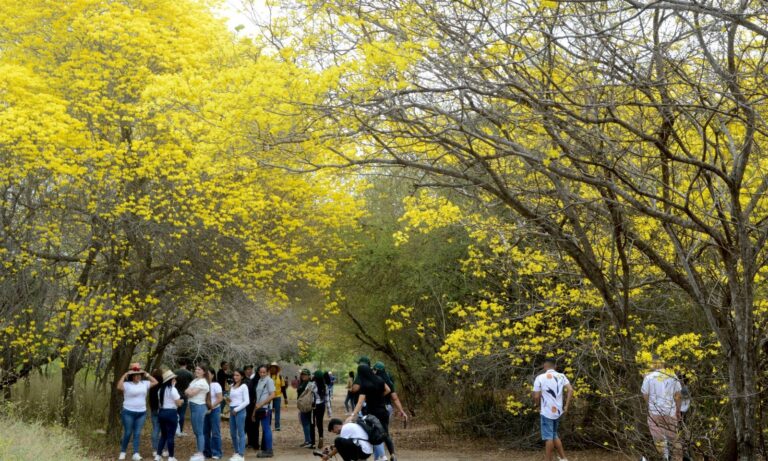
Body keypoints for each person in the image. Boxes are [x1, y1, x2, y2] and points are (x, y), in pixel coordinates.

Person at [348, 364, 394, 461]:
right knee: (385, 433)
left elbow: (360, 402)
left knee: (372, 435)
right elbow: (388, 390)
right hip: (383, 411)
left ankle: (379, 457)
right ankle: (392, 454)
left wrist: (353, 415)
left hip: (372, 414)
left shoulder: (364, 384)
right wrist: (379, 396)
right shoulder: (380, 379)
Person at [642, 358, 683, 461]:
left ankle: (663, 458)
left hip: (654, 412)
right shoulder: (672, 376)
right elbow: (678, 395)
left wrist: (650, 406)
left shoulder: (649, 377)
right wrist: (678, 410)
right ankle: (675, 459)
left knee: (659, 440)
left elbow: (645, 394)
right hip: (670, 412)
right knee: (673, 439)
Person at [532, 357, 573, 461]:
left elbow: (536, 396)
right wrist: (566, 406)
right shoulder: (562, 376)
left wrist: (538, 406)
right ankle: (563, 458)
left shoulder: (540, 377)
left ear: (545, 366)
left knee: (548, 437)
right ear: (555, 366)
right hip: (558, 411)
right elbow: (570, 390)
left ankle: (548, 460)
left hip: (546, 412)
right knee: (554, 434)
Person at [117, 362, 159, 461]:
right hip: (128, 412)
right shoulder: (127, 384)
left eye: (139, 375)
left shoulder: (145, 383)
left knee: (137, 433)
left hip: (141, 413)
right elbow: (119, 387)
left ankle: (136, 453)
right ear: (132, 376)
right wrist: (124, 375)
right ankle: (123, 451)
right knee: (128, 433)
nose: (138, 377)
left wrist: (146, 374)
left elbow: (156, 382)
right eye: (135, 375)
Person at [372, 362, 407, 461]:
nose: (373, 371)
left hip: (379, 408)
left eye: (374, 369)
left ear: (377, 370)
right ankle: (390, 455)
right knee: (384, 431)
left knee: (377, 432)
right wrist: (402, 411)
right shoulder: (389, 382)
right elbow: (395, 398)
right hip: (388, 408)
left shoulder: (376, 381)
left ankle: (380, 457)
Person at [155, 370, 183, 461]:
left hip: (162, 413)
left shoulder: (160, 390)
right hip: (171, 413)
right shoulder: (173, 389)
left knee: (163, 435)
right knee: (171, 436)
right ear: (171, 379)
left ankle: (158, 455)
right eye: (174, 378)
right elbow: (178, 403)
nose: (175, 379)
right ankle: (171, 457)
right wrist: (182, 401)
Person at [185, 364, 210, 461]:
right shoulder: (195, 380)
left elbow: (190, 393)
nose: (197, 371)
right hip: (193, 407)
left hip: (199, 407)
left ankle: (201, 454)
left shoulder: (203, 382)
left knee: (199, 431)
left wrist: (188, 391)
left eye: (199, 369)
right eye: (196, 369)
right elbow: (187, 391)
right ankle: (199, 451)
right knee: (196, 431)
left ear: (204, 371)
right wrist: (188, 392)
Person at [252, 364, 276, 458]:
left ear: (267, 372)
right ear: (258, 372)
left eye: (264, 372)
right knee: (264, 429)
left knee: (266, 429)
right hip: (259, 408)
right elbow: (258, 398)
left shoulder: (269, 381)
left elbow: (272, 395)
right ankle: (266, 449)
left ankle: (269, 450)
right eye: (260, 372)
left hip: (266, 408)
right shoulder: (259, 380)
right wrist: (254, 412)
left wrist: (262, 404)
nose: (262, 374)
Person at [228, 369, 250, 461]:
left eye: (237, 375)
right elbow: (232, 399)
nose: (235, 377)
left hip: (239, 410)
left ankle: (241, 454)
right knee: (233, 433)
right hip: (232, 410)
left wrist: (236, 409)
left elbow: (247, 401)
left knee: (240, 433)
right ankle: (236, 452)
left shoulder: (244, 386)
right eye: (234, 375)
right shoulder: (232, 386)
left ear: (242, 376)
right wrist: (228, 401)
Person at [204, 366, 223, 460]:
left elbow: (220, 398)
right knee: (205, 432)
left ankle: (217, 452)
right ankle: (207, 452)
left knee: (215, 432)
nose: (206, 376)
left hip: (214, 410)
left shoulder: (216, 385)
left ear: (212, 375)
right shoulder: (203, 384)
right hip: (205, 410)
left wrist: (211, 406)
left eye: (208, 374)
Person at [311, 370, 330, 449]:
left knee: (312, 423)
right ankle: (321, 437)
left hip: (313, 406)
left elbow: (310, 396)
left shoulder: (312, 385)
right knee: (320, 423)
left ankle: (313, 443)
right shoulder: (325, 386)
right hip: (321, 406)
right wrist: (329, 411)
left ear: (315, 377)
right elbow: (327, 399)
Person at [174, 359, 193, 436]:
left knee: (175, 413)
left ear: (179, 364)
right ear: (186, 364)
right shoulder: (189, 373)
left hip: (175, 394)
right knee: (182, 413)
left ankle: (174, 429)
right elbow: (192, 384)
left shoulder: (175, 372)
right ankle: (180, 430)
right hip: (185, 395)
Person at [243, 364, 260, 451]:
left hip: (254, 405)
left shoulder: (254, 380)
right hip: (246, 406)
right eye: (248, 369)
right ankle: (249, 442)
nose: (250, 371)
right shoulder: (244, 381)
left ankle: (254, 443)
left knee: (254, 424)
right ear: (245, 370)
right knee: (247, 424)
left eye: (251, 369)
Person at [149, 368, 164, 459]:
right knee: (164, 430)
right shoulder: (164, 383)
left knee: (155, 429)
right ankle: (165, 449)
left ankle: (155, 450)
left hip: (154, 408)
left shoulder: (151, 384)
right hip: (163, 409)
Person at [297, 368, 314, 448]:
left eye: (305, 374)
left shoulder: (310, 384)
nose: (303, 376)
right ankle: (308, 440)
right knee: (305, 423)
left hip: (307, 406)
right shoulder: (302, 383)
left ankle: (308, 441)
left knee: (306, 423)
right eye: (302, 374)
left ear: (309, 375)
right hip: (302, 406)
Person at [268, 362, 284, 431]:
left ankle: (277, 426)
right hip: (270, 397)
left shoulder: (280, 377)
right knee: (269, 411)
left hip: (277, 396)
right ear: (270, 369)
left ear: (277, 369)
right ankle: (268, 425)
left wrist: (285, 398)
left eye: (275, 367)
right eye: (272, 367)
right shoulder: (268, 377)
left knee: (277, 411)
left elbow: (283, 387)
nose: (273, 369)